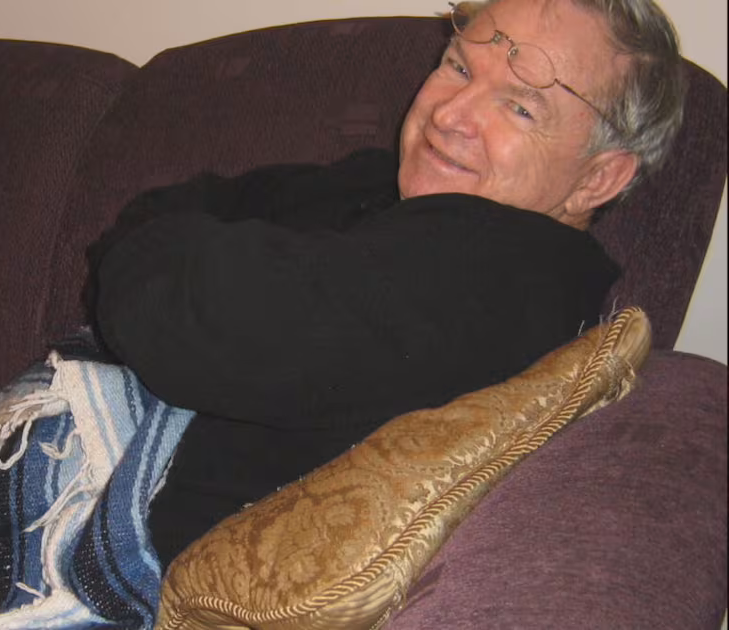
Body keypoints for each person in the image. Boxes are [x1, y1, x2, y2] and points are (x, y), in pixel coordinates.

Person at [89, 0, 687, 568]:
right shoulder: (381, 183)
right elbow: (183, 210)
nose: (449, 115)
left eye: (520, 109)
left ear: (597, 179)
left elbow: (194, 323)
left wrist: (141, 254)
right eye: (459, 67)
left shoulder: (500, 277)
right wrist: (149, 255)